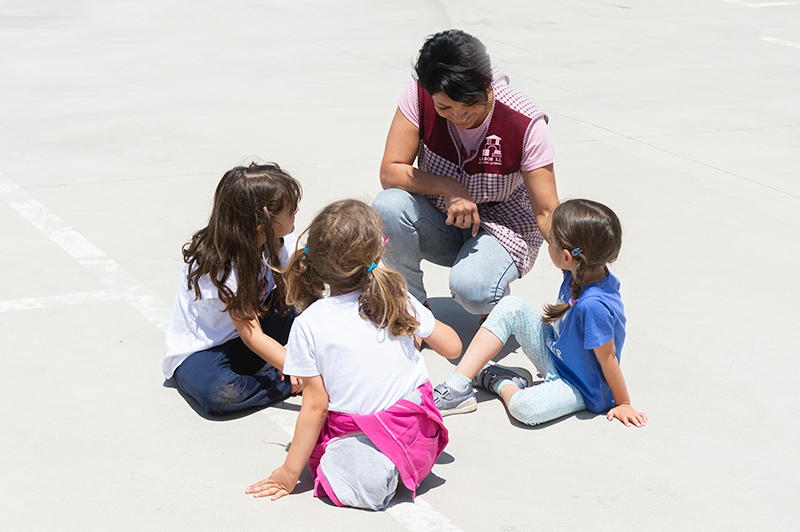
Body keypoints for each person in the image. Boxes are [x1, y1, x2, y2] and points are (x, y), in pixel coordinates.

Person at [246, 199, 461, 510]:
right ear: (377, 253)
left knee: (339, 462)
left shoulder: (309, 323)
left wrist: (288, 473)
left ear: (314, 260)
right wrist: (414, 331)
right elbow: (452, 346)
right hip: (419, 432)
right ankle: (399, 458)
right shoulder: (396, 295)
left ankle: (376, 463)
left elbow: (316, 406)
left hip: (361, 433)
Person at [372, 29, 559, 317]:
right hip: (444, 217)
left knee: (474, 291)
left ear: (489, 85)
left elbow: (546, 212)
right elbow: (391, 171)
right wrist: (448, 187)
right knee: (387, 207)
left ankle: (492, 299)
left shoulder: (524, 122)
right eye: (445, 106)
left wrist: (576, 258)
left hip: (502, 227)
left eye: (470, 104)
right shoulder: (420, 92)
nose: (459, 116)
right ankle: (413, 311)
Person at [433, 199, 647, 428]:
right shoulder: (583, 270)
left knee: (524, 409)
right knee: (510, 306)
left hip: (578, 386)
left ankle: (501, 381)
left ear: (567, 257)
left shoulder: (594, 306)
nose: (548, 243)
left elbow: (609, 359)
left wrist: (623, 402)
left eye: (551, 240)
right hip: (556, 354)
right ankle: (457, 387)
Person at [162, 163, 303, 415]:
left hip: (257, 334)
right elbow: (252, 336)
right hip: (207, 352)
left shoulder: (279, 242)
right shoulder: (221, 268)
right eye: (291, 211)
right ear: (262, 227)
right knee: (221, 393)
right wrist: (302, 368)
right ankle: (288, 380)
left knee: (305, 302)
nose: (297, 212)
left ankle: (290, 366)